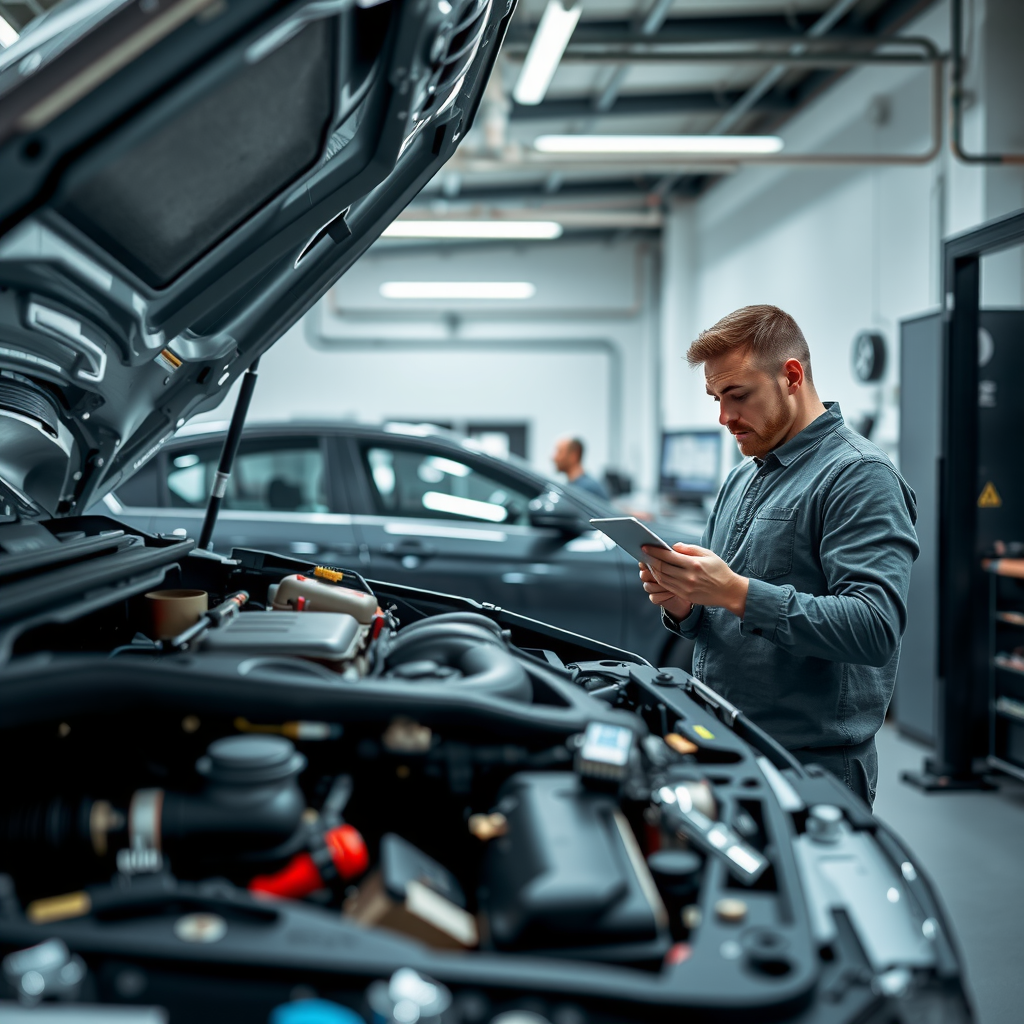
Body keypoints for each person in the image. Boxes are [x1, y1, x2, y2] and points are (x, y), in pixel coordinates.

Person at [639, 305, 918, 806]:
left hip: (811, 767)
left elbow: (874, 628)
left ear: (791, 376)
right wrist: (684, 603)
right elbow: (719, 615)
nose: (724, 418)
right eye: (716, 399)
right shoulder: (741, 476)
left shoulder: (859, 475)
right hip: (727, 742)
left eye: (738, 395)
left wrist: (736, 592)